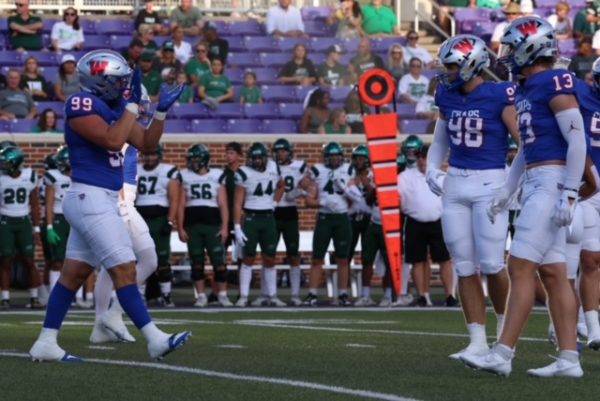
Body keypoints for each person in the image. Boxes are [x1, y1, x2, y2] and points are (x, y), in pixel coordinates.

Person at [29, 49, 189, 362]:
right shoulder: (82, 103)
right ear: (100, 81)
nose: (123, 86)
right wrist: (129, 105)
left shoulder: (114, 106)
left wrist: (160, 114)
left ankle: (46, 342)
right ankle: (154, 338)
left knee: (73, 276)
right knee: (125, 269)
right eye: (117, 81)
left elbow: (145, 144)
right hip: (90, 196)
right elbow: (115, 141)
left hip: (99, 198)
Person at [462, 16, 585, 378]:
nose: (508, 55)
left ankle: (502, 352)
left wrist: (570, 193)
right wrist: (507, 189)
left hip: (551, 182)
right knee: (553, 274)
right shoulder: (530, 86)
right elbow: (528, 150)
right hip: (536, 179)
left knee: (519, 267)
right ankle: (568, 359)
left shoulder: (553, 82)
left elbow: (577, 141)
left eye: (513, 47)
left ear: (532, 48)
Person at [426, 34, 517, 361]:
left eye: (452, 65)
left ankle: (505, 335)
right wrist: (431, 168)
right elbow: (440, 139)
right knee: (464, 266)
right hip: (456, 184)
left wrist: (513, 183)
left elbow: (523, 141)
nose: (446, 71)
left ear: (471, 64)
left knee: (493, 264)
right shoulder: (447, 95)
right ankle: (477, 341)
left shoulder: (499, 95)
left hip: (490, 182)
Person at [399, 144, 455, 307]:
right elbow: (398, 195)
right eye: (420, 157)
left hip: (438, 220)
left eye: (426, 157)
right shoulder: (406, 176)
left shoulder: (441, 175)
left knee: (445, 260)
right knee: (418, 260)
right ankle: (423, 295)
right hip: (415, 221)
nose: (423, 160)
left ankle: (450, 295)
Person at [178, 144, 232, 307]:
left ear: (205, 160)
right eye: (192, 160)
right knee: (197, 263)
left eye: (196, 160)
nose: (193, 163)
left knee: (219, 263)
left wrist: (224, 227)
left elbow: (223, 204)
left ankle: (222, 295)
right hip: (193, 225)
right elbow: (181, 204)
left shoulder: (217, 175)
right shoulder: (184, 175)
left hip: (213, 224)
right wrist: (180, 227)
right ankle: (201, 296)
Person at [303, 142, 355, 306]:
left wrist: (345, 190)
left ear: (341, 156)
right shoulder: (317, 170)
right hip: (325, 218)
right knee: (317, 258)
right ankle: (312, 293)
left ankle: (342, 294)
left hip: (342, 218)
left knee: (343, 259)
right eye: (331, 155)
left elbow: (355, 198)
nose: (334, 158)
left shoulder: (349, 170)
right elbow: (309, 200)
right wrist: (322, 202)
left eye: (336, 155)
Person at [233, 142, 285, 307]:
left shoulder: (274, 167)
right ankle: (243, 296)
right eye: (253, 158)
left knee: (270, 258)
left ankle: (272, 295)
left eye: (259, 158)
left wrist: (275, 202)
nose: (256, 161)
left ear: (265, 158)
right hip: (251, 218)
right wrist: (236, 227)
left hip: (268, 218)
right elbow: (237, 203)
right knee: (248, 258)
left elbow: (281, 186)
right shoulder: (243, 173)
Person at [571, 59, 600, 349]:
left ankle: (582, 318)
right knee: (588, 260)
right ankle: (590, 327)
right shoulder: (581, 93)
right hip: (588, 186)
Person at [135, 144, 181, 307]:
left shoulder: (168, 171)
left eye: (152, 154)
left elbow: (174, 199)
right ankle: (139, 296)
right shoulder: (136, 169)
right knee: (139, 258)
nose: (148, 158)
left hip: (160, 218)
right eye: (146, 154)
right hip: (139, 217)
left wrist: (170, 221)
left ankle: (166, 295)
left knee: (162, 259)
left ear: (159, 155)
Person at [0, 145, 42, 309]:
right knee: (5, 260)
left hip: (23, 221)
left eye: (6, 162)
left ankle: (34, 297)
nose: (3, 165)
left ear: (15, 163)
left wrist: (37, 228)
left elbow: (35, 204)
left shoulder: (29, 175)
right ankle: (5, 298)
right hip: (5, 221)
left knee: (29, 260)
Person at [271, 138, 310, 305]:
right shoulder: (270, 166)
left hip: (290, 212)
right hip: (272, 211)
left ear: (289, 152)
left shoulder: (299, 166)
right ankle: (268, 294)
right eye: (278, 151)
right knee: (269, 254)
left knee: (293, 253)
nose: (280, 154)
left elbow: (309, 184)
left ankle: (295, 294)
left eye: (283, 151)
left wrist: (299, 191)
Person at [346, 145, 374, 306]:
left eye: (362, 158)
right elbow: (346, 198)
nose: (359, 161)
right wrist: (355, 183)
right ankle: (344, 293)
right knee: (346, 256)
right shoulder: (349, 173)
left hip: (368, 219)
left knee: (367, 257)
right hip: (351, 217)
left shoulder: (373, 175)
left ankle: (366, 293)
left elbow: (373, 198)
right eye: (356, 158)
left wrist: (367, 184)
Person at [43, 146, 71, 296]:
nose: (61, 164)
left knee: (77, 260)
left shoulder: (82, 175)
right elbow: (48, 203)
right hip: (60, 218)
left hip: (77, 220)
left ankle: (77, 296)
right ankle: (55, 293)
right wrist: (49, 226)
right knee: (57, 260)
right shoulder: (53, 176)